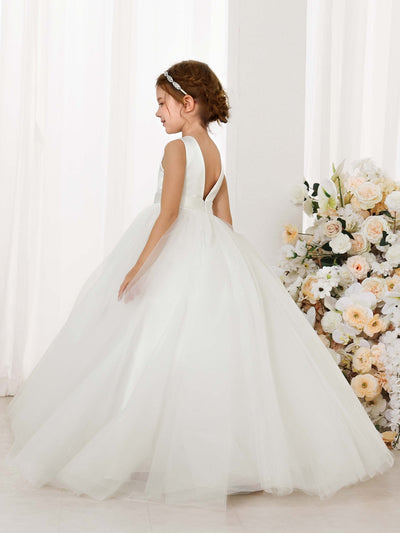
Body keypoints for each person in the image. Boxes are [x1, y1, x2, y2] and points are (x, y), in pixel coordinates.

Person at [6, 60, 395, 512]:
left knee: (150, 346)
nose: (157, 113)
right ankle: (211, 454)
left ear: (187, 103)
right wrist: (227, 268)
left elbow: (169, 213)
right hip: (212, 252)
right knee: (202, 352)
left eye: (162, 103)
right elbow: (224, 222)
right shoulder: (213, 153)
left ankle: (142, 444)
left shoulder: (178, 149)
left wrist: (137, 268)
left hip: (177, 249)